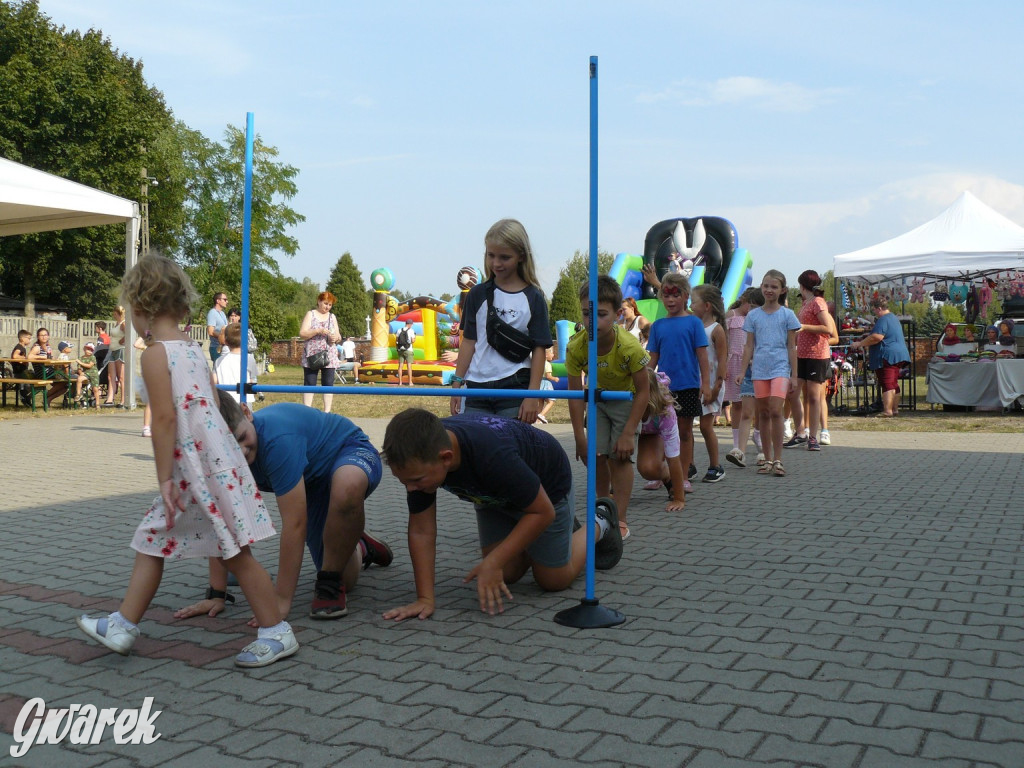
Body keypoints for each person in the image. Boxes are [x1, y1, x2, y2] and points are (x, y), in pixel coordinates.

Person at [76, 254, 296, 669]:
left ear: (138, 308)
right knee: (152, 539)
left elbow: (163, 419)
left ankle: (277, 631)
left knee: (234, 552)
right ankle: (123, 623)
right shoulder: (193, 349)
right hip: (209, 462)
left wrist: (164, 478)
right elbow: (211, 406)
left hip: (194, 469)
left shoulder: (155, 355)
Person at [380, 408, 624, 620]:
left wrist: (495, 560)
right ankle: (545, 539)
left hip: (546, 490)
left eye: (415, 481)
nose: (411, 489)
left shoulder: (491, 454)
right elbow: (422, 531)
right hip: (493, 496)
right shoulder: (420, 462)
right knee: (506, 573)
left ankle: (600, 521)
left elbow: (543, 511)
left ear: (446, 458)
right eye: (404, 482)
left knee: (552, 580)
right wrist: (425, 598)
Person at [175, 399, 393, 622]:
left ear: (246, 411)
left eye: (242, 438)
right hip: (312, 484)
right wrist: (217, 594)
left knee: (346, 488)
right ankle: (355, 541)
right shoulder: (218, 459)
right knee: (349, 581)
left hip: (349, 452)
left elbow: (295, 524)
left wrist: (280, 600)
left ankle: (338, 546)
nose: (241, 451)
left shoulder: (277, 441)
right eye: (230, 448)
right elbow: (222, 521)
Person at [566, 276, 650, 541]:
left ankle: (620, 518)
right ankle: (603, 511)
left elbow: (643, 391)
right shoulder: (576, 346)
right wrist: (580, 437)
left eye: (601, 314)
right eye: (586, 314)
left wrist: (627, 433)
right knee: (597, 455)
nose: (592, 321)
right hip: (598, 401)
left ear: (616, 315)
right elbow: (573, 394)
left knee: (620, 457)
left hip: (626, 400)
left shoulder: (629, 346)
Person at [449, 219, 552, 422]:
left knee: (509, 449)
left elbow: (539, 349)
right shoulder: (477, 294)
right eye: (491, 255)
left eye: (504, 257)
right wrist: (456, 384)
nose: (496, 263)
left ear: (521, 256)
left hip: (515, 387)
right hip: (477, 388)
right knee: (476, 449)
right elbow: (468, 341)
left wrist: (533, 395)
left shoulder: (534, 297)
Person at [645, 273, 710, 495]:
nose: (670, 300)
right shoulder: (658, 326)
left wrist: (706, 384)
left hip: (688, 385)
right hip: (663, 388)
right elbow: (652, 358)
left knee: (683, 432)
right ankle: (662, 474)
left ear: (685, 296)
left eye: (675, 295)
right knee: (662, 432)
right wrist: (645, 382)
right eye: (666, 295)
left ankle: (682, 476)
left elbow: (702, 356)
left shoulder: (694, 323)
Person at [736, 270, 800, 477]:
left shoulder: (788, 315)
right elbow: (748, 347)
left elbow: (792, 347)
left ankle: (779, 459)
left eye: (774, 287)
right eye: (766, 286)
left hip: (780, 368)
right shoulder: (753, 315)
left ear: (782, 290)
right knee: (762, 413)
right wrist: (742, 370)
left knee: (775, 409)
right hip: (759, 369)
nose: (769, 290)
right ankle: (767, 457)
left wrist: (794, 375)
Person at [791, 270, 837, 452]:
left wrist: (804, 327)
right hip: (802, 354)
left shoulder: (818, 302)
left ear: (802, 285)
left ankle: (813, 437)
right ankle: (800, 431)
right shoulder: (806, 303)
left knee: (813, 396)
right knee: (793, 393)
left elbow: (828, 328)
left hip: (817, 355)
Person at [849, 295, 911, 418]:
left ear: (879, 308)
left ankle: (887, 411)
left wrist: (860, 343)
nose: (875, 313)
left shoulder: (883, 319)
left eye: (875, 310)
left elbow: (877, 337)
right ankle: (895, 410)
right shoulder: (893, 318)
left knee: (887, 383)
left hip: (887, 355)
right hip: (899, 354)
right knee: (894, 383)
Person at [690, 284, 727, 483]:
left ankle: (715, 466)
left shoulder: (716, 329)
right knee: (686, 427)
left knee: (706, 426)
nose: (690, 305)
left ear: (706, 306)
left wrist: (716, 388)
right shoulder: (694, 324)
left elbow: (722, 361)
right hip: (694, 383)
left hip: (712, 385)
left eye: (693, 302)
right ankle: (690, 464)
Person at [636, 368, 686, 512]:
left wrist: (679, 498)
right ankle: (614, 488)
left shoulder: (665, 415)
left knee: (648, 469)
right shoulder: (625, 406)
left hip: (653, 430)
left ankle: (669, 479)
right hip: (636, 428)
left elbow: (674, 459)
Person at [724, 288, 763, 467]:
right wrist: (723, 364)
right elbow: (723, 341)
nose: (752, 309)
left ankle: (757, 435)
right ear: (744, 301)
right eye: (751, 305)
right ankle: (737, 443)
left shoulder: (754, 318)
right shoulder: (731, 315)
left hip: (751, 362)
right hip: (734, 362)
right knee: (737, 403)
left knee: (755, 404)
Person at [299, 292, 342, 413]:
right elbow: (302, 333)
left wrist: (335, 338)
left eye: (330, 305)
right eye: (325, 303)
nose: (327, 307)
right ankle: (307, 411)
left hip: (329, 355)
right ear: (318, 301)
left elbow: (338, 335)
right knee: (310, 382)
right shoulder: (310, 314)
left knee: (328, 383)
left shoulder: (332, 317)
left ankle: (327, 412)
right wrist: (318, 330)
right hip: (312, 354)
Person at [214, 322, 258, 404]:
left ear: (226, 341)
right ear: (246, 340)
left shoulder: (219, 361)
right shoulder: (250, 359)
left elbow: (215, 382)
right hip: (245, 399)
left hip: (226, 400)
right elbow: (253, 380)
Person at [27, 328, 69, 405]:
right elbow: (29, 357)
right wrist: (42, 357)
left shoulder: (48, 347)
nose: (44, 337)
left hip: (50, 371)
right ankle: (45, 397)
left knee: (65, 385)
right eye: (41, 335)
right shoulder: (37, 347)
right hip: (42, 372)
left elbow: (49, 358)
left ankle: (48, 400)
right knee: (65, 380)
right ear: (38, 337)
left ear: (48, 336)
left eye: (45, 335)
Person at [102, 306, 126, 407]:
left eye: (115, 313)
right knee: (110, 375)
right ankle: (110, 398)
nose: (114, 315)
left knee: (121, 377)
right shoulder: (116, 324)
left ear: (120, 313)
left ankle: (123, 400)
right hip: (112, 350)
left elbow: (128, 334)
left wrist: (123, 340)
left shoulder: (123, 323)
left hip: (120, 350)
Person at [9, 329, 33, 407]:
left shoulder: (22, 347)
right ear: (22, 338)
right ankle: (24, 397)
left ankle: (26, 396)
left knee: (34, 378)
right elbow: (15, 356)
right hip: (20, 372)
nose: (30, 340)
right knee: (33, 380)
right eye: (28, 338)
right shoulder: (19, 347)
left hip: (22, 371)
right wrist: (25, 358)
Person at [74, 342, 100, 408]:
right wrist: (80, 372)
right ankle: (78, 394)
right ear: (84, 349)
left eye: (91, 350)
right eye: (88, 349)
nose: (89, 351)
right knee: (79, 379)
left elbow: (89, 365)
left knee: (95, 389)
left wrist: (80, 362)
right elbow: (79, 368)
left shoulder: (92, 357)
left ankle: (97, 404)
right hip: (86, 374)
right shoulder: (81, 358)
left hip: (94, 374)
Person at [536, 346, 557, 423]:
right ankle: (542, 415)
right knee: (551, 401)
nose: (553, 355)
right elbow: (548, 376)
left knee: (540, 401)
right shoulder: (547, 364)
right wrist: (554, 378)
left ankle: (537, 418)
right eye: (551, 353)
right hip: (546, 383)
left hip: (539, 383)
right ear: (546, 355)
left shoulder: (538, 363)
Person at [206, 291, 229, 363]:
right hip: (216, 348)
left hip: (224, 347)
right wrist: (222, 337)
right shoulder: (212, 313)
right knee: (218, 371)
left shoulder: (222, 313)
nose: (227, 302)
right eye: (225, 299)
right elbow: (210, 331)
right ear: (218, 301)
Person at [396, 320, 416, 386]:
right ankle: (410, 382)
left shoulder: (399, 330)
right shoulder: (411, 330)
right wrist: (415, 338)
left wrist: (398, 349)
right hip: (408, 350)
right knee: (409, 366)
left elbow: (396, 340)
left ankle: (400, 382)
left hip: (400, 350)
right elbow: (413, 341)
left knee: (400, 366)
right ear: (410, 324)